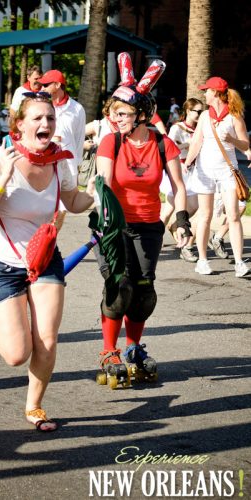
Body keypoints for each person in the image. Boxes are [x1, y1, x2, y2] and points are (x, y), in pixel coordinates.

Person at [0, 93, 95, 431]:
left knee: (47, 340)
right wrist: (2, 180)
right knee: (15, 354)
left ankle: (34, 406)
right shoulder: (1, 158)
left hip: (44, 258)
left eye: (50, 118)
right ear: (20, 125)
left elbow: (72, 200)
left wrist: (98, 195)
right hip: (3, 264)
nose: (46, 124)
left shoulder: (60, 160)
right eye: (38, 118)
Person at [94, 82, 191, 384]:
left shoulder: (162, 144)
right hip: (115, 226)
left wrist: (183, 221)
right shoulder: (111, 142)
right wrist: (107, 220)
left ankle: (133, 348)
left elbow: (178, 188)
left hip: (149, 226)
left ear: (141, 114)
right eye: (113, 112)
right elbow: (104, 182)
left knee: (144, 291)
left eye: (122, 113)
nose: (116, 118)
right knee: (120, 287)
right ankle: (109, 351)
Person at [184, 76, 250, 277]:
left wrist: (231, 139)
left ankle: (239, 262)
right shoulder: (204, 116)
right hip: (205, 170)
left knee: (233, 215)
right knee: (205, 215)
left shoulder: (234, 116)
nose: (204, 94)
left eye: (207, 91)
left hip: (227, 171)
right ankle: (202, 260)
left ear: (216, 93)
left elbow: (245, 145)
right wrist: (187, 162)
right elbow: (196, 142)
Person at [161, 97, 204, 262]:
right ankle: (150, 241)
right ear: (188, 111)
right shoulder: (177, 128)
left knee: (193, 206)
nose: (200, 114)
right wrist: (188, 144)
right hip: (177, 171)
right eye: (197, 111)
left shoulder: (199, 128)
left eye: (202, 111)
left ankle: (176, 226)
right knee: (168, 210)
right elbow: (168, 148)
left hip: (193, 172)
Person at [37, 69, 86, 185]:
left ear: (58, 85)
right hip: (45, 163)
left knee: (69, 201)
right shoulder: (40, 106)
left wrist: (77, 164)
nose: (42, 88)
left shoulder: (77, 109)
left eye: (45, 85)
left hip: (70, 165)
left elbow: (79, 139)